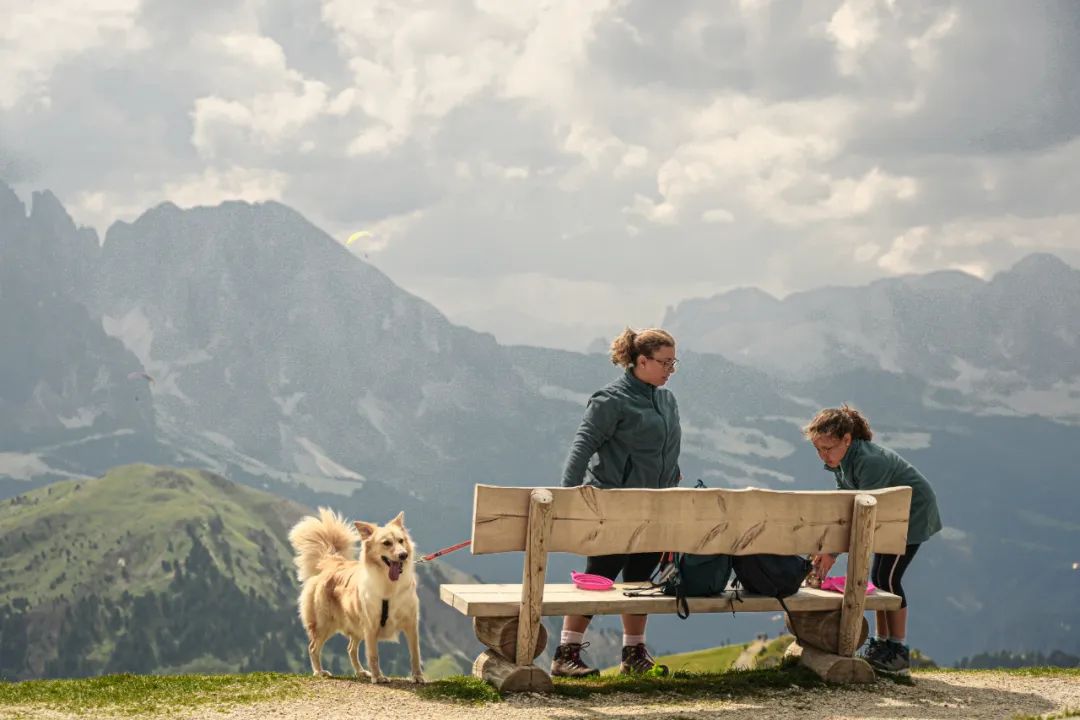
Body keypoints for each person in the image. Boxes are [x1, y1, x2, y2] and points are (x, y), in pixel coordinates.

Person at [550, 327, 682, 678]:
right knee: (599, 574)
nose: (670, 370)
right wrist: (567, 495)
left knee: (640, 579)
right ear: (641, 361)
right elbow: (583, 445)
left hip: (655, 505)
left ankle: (633, 654)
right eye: (664, 362)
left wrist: (672, 477)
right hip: (614, 506)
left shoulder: (667, 401)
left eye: (674, 363)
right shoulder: (611, 400)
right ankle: (565, 653)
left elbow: (665, 449)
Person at [803, 404, 942, 675]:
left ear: (847, 439)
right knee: (878, 579)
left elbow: (862, 515)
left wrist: (832, 553)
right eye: (818, 449)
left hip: (911, 515)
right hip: (888, 517)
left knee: (889, 579)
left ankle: (898, 650)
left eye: (828, 448)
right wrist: (829, 547)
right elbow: (846, 507)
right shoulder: (842, 462)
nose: (823, 455)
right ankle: (881, 643)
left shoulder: (869, 462)